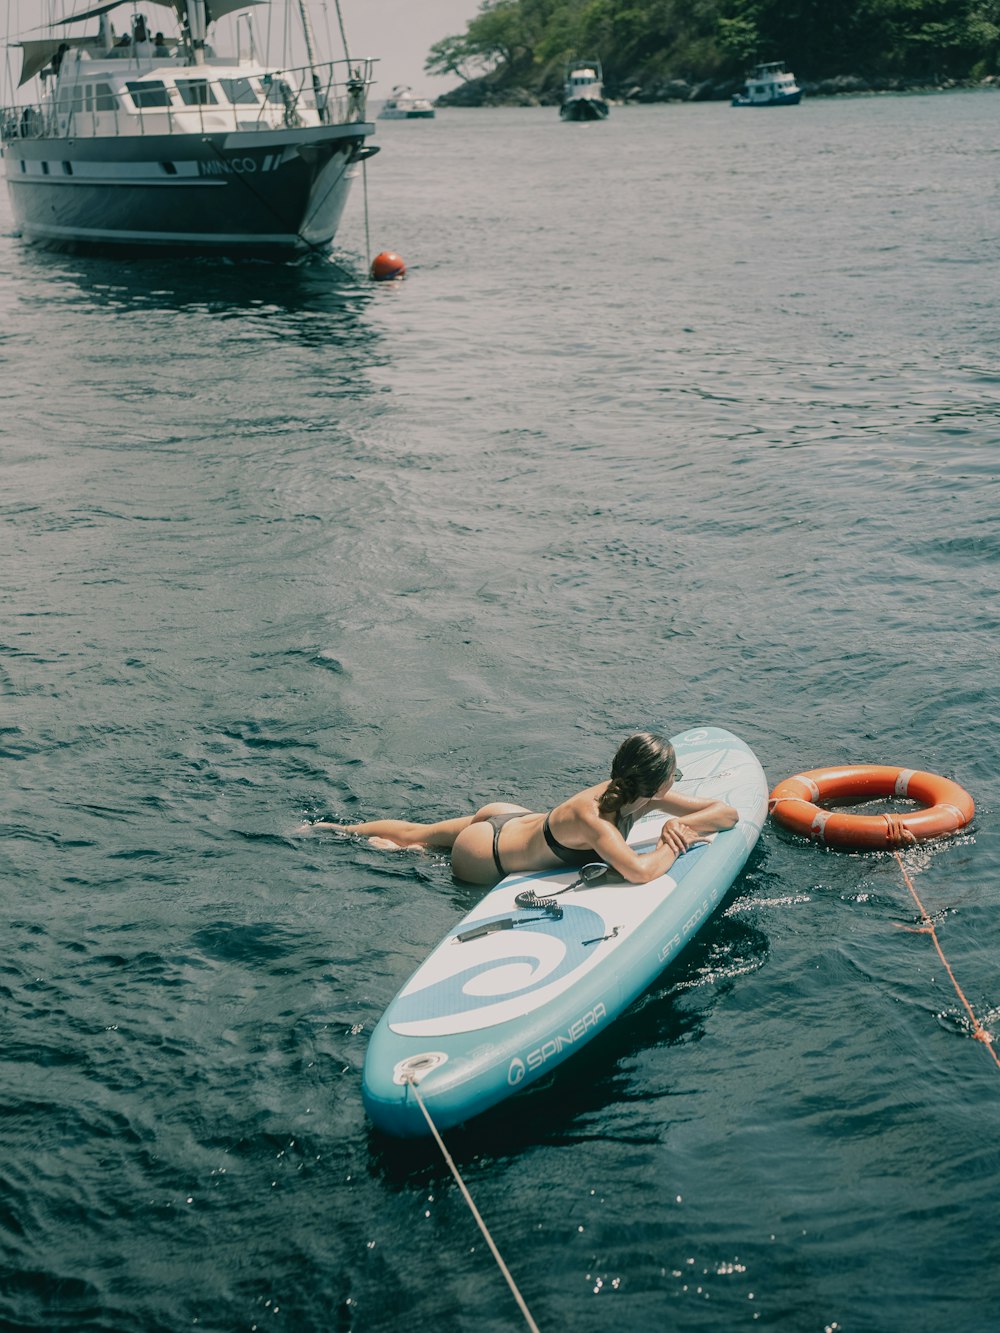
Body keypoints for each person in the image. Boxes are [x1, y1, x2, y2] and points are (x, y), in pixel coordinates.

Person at [309, 732, 739, 886]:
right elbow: (640, 872)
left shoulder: (635, 793)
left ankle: (331, 828)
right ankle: (391, 851)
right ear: (659, 783)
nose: (675, 784)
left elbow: (725, 812)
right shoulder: (595, 821)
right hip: (485, 854)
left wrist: (681, 821)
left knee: (418, 828)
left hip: (507, 817)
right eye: (675, 776)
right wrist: (673, 841)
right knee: (415, 848)